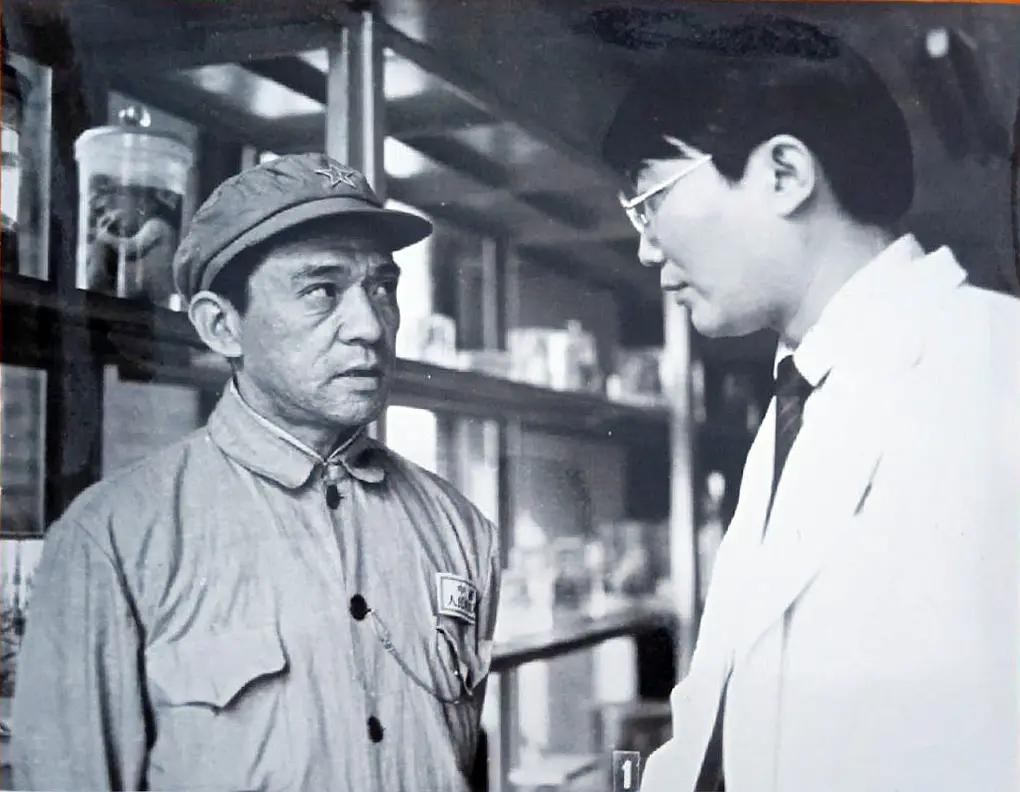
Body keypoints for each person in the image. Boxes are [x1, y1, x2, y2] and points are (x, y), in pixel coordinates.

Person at [602, 16, 1020, 792]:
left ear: (785, 174)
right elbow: (726, 717)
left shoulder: (998, 368)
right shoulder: (800, 401)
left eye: (649, 201)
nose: (646, 248)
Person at [11, 153, 501, 791]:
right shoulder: (112, 541)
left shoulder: (459, 529)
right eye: (322, 290)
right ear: (222, 325)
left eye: (382, 287)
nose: (369, 326)